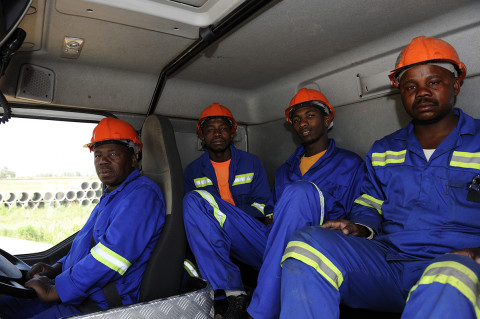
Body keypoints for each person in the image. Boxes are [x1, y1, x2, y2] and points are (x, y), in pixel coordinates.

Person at [279, 35, 480, 319]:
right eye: (411, 86)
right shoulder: (384, 149)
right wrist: (361, 228)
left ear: (456, 84)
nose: (421, 93)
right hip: (389, 262)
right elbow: (369, 204)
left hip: (459, 263)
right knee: (305, 244)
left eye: (433, 82)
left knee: (446, 275)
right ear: (401, 94)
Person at [0, 117, 166, 319]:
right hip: (80, 292)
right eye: (98, 155)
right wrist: (54, 269)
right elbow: (86, 244)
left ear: (133, 158)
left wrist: (55, 290)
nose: (103, 161)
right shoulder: (112, 195)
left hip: (99, 303)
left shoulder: (141, 195)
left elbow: (111, 257)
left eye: (113, 154)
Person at [247, 88, 365, 319]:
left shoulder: (350, 163)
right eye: (297, 119)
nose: (303, 123)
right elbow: (271, 214)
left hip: (321, 243)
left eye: (310, 115)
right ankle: (230, 294)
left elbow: (359, 217)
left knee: (301, 191)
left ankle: (261, 313)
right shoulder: (284, 171)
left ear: (327, 119)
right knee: (201, 204)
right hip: (275, 240)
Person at [182, 103, 271, 318]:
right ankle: (233, 295)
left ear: (232, 133)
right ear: (202, 137)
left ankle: (229, 291)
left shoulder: (252, 163)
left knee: (196, 201)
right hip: (216, 240)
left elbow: (264, 206)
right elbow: (195, 220)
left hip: (250, 233)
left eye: (223, 128)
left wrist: (229, 215)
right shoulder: (193, 171)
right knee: (192, 205)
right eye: (210, 129)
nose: (217, 133)